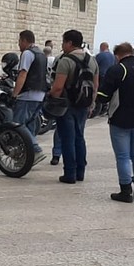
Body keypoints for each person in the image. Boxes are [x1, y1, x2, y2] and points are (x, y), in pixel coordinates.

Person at [103, 42, 134, 203]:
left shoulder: (117, 70)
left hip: (120, 119)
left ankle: (126, 191)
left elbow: (103, 95)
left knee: (123, 156)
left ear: (118, 56)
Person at [49, 30, 95, 184]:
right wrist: (91, 103)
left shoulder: (66, 61)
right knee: (79, 137)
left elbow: (57, 87)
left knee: (67, 138)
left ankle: (69, 174)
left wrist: (51, 99)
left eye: (63, 42)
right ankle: (80, 172)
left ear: (69, 43)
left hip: (67, 104)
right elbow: (96, 85)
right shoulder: (92, 60)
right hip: (83, 104)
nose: (62, 46)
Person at [10, 29, 48, 162]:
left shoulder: (27, 53)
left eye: (19, 41)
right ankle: (28, 155)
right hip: (40, 95)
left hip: (28, 95)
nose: (18, 44)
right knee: (30, 126)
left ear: (25, 41)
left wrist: (15, 94)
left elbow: (23, 74)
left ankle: (36, 150)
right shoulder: (41, 54)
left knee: (18, 125)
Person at [92, 42, 117, 118]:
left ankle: (98, 108)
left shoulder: (100, 55)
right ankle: (105, 108)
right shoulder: (113, 56)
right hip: (110, 76)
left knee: (99, 92)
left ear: (102, 47)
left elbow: (94, 65)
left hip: (101, 75)